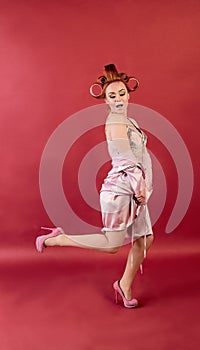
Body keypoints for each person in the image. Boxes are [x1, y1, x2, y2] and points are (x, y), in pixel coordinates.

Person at [36, 64, 154, 308]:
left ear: (129, 94)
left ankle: (123, 285)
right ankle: (57, 238)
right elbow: (127, 161)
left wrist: (142, 190)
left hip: (135, 190)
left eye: (122, 93)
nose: (119, 98)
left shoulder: (128, 119)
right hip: (123, 190)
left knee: (145, 240)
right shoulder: (115, 122)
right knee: (112, 245)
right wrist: (141, 190)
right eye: (112, 96)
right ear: (106, 101)